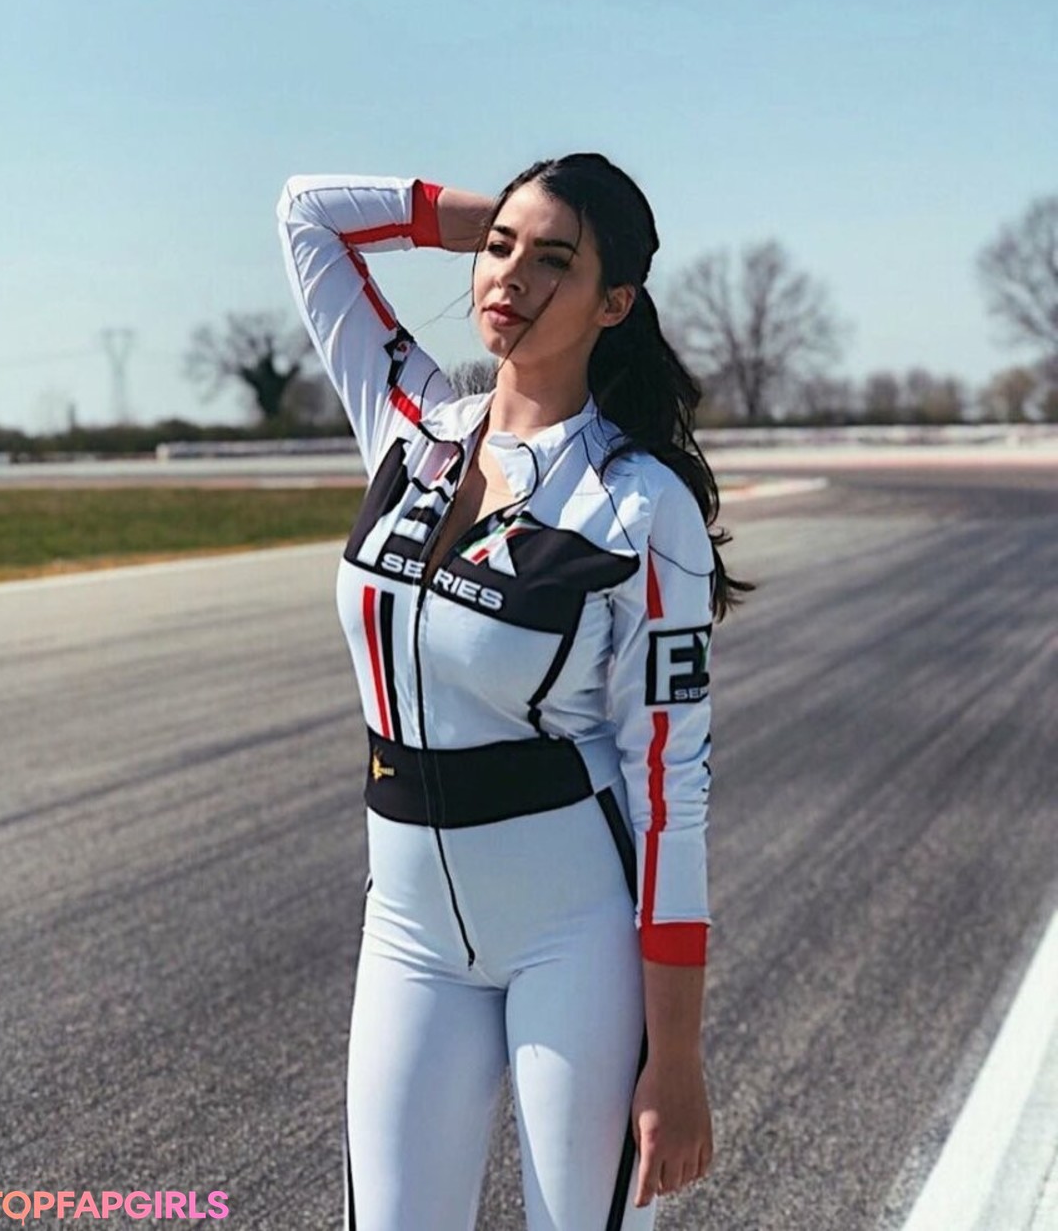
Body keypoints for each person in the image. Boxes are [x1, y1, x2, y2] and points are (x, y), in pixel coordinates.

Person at [275, 152, 751, 1231]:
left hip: (573, 935)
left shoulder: (640, 506)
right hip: (406, 930)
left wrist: (676, 1056)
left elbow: (671, 792)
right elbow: (308, 217)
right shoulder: (411, 423)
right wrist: (517, 218)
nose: (510, 279)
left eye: (555, 265)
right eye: (500, 253)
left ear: (615, 303)